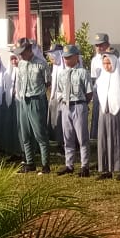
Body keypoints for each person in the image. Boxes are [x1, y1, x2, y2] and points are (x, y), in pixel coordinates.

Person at [56, 44, 93, 176]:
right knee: (68, 137)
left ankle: (84, 166)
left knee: (82, 138)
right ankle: (69, 164)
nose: (67, 60)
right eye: (65, 58)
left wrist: (82, 104)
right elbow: (58, 91)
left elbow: (89, 93)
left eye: (69, 57)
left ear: (76, 57)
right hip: (66, 106)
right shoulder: (62, 74)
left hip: (79, 105)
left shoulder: (83, 72)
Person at [95, 50, 120, 179]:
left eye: (109, 63)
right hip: (104, 111)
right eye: (104, 63)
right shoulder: (102, 78)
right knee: (104, 138)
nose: (107, 66)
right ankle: (106, 169)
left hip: (118, 111)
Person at [16, 39, 50, 173]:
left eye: (23, 53)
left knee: (40, 133)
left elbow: (47, 82)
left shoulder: (41, 64)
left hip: (37, 99)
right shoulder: (21, 64)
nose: (21, 56)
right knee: (25, 133)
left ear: (29, 50)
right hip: (24, 100)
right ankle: (30, 162)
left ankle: (45, 164)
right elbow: (19, 81)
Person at [90, 33, 113, 139]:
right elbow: (94, 77)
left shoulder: (113, 57)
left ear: (107, 44)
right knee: (96, 112)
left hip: (109, 89)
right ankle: (95, 136)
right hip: (98, 90)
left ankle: (108, 134)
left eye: (101, 45)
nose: (99, 48)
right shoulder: (95, 60)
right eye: (97, 45)